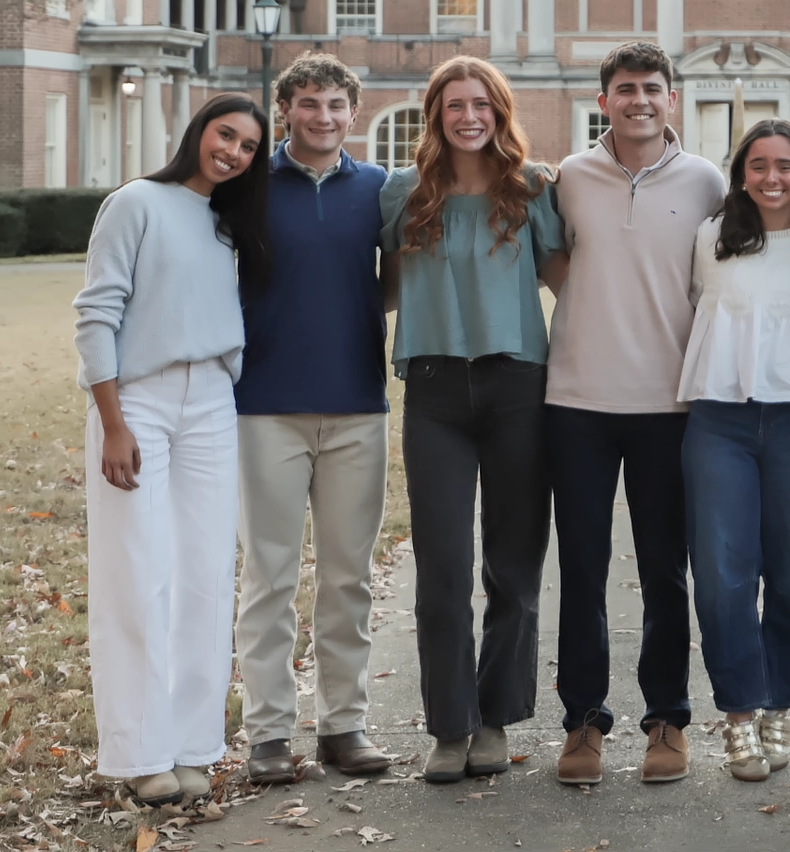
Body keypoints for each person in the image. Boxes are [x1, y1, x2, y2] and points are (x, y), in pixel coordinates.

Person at [73, 93, 270, 806]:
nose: (233, 152)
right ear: (198, 132)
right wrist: (113, 422)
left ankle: (194, 745)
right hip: (139, 403)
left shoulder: (225, 225)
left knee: (206, 577)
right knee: (135, 572)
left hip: (212, 400)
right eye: (226, 135)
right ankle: (140, 752)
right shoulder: (136, 203)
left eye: (248, 146)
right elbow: (96, 314)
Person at [379, 56, 564, 783]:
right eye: (454, 105)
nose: (468, 117)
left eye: (481, 104)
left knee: (513, 565)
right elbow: (384, 286)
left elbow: (565, 280)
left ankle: (495, 718)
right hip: (434, 392)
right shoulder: (402, 193)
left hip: (518, 385)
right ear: (435, 114)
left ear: (499, 112)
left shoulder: (532, 188)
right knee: (443, 568)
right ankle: (449, 725)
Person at [546, 42, 725, 786]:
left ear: (671, 99)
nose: (640, 100)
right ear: (604, 101)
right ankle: (583, 721)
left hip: (669, 404)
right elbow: (550, 259)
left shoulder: (707, 181)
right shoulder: (568, 177)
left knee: (665, 571)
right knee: (582, 570)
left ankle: (667, 719)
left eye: (653, 88)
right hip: (577, 402)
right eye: (625, 89)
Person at [233, 54, 393, 785]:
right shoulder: (249, 184)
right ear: (285, 110)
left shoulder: (379, 189)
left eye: (334, 105)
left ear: (353, 113)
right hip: (265, 406)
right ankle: (268, 732)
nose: (322, 117)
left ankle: (343, 725)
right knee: (269, 576)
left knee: (347, 577)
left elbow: (395, 277)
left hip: (357, 406)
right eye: (308, 103)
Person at [678, 120, 790, 783]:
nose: (772, 177)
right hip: (720, 421)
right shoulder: (711, 238)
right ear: (740, 173)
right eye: (759, 165)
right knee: (722, 575)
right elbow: (691, 306)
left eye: (785, 166)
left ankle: (780, 703)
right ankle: (739, 713)